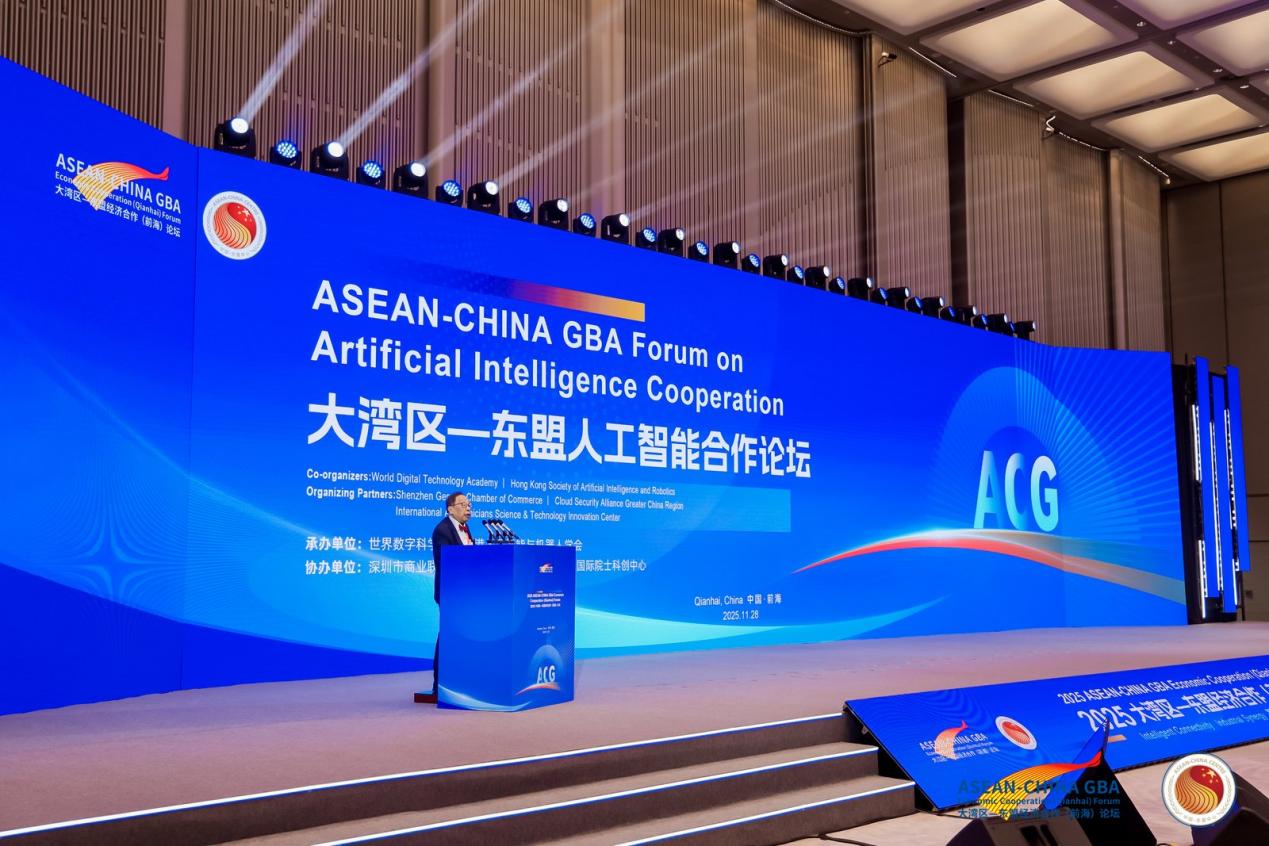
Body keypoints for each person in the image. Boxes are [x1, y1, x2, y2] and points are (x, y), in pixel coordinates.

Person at [422, 491, 474, 701]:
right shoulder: (442, 530)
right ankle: (439, 684)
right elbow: (447, 562)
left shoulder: (466, 529)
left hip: (467, 594)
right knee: (447, 636)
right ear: (450, 509)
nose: (468, 508)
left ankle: (460, 679)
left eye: (469, 504)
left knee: (463, 635)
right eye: (463, 504)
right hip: (451, 592)